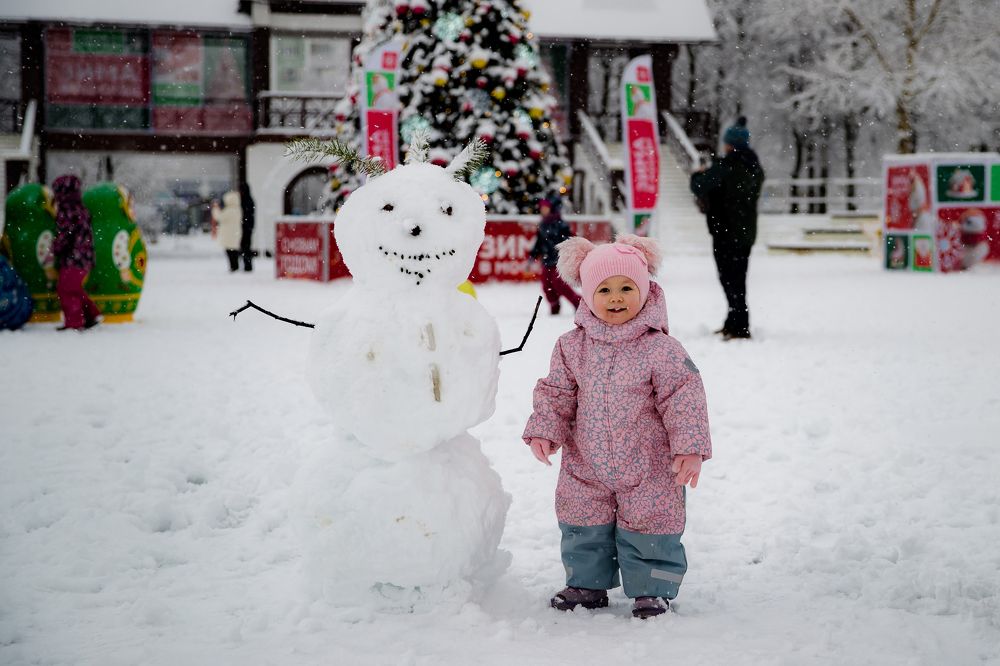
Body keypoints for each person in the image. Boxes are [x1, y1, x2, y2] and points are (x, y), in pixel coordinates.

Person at [522, 234, 712, 619]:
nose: (616, 298)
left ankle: (652, 590)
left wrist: (689, 447)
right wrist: (545, 428)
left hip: (649, 464)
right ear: (588, 294)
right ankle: (586, 585)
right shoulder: (571, 346)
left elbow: (684, 398)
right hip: (586, 461)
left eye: (627, 288)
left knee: (652, 525)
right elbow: (556, 391)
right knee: (582, 522)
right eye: (604, 289)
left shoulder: (661, 348)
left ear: (644, 290)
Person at [690, 116, 765, 340]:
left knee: (728, 279)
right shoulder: (755, 167)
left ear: (730, 143)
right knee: (738, 278)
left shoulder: (727, 166)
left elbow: (699, 186)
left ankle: (740, 325)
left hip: (725, 231)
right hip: (745, 232)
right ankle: (734, 321)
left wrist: (698, 173)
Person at [48, 174, 101, 331]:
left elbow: (65, 234)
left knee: (66, 289)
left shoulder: (68, 210)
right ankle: (90, 314)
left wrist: (55, 248)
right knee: (74, 288)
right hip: (84, 256)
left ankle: (75, 322)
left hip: (75, 257)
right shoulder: (79, 208)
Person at [528, 197, 581, 315]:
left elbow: (568, 240)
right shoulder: (542, 225)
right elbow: (539, 242)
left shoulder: (561, 225)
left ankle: (578, 302)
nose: (543, 210)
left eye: (545, 208)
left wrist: (567, 254)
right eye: (542, 208)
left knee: (559, 284)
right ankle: (554, 305)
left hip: (558, 261)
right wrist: (533, 255)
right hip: (547, 261)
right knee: (546, 286)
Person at [211, 190, 243, 272]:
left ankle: (233, 267)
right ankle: (235, 266)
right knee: (233, 251)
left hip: (228, 234)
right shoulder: (237, 209)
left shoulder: (229, 210)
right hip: (235, 233)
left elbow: (219, 217)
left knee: (230, 251)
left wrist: (215, 209)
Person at [239, 182, 255, 272]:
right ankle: (247, 265)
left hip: (246, 227)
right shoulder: (249, 199)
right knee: (246, 246)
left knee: (245, 247)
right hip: (248, 227)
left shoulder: (245, 200)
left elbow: (247, 214)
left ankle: (247, 265)